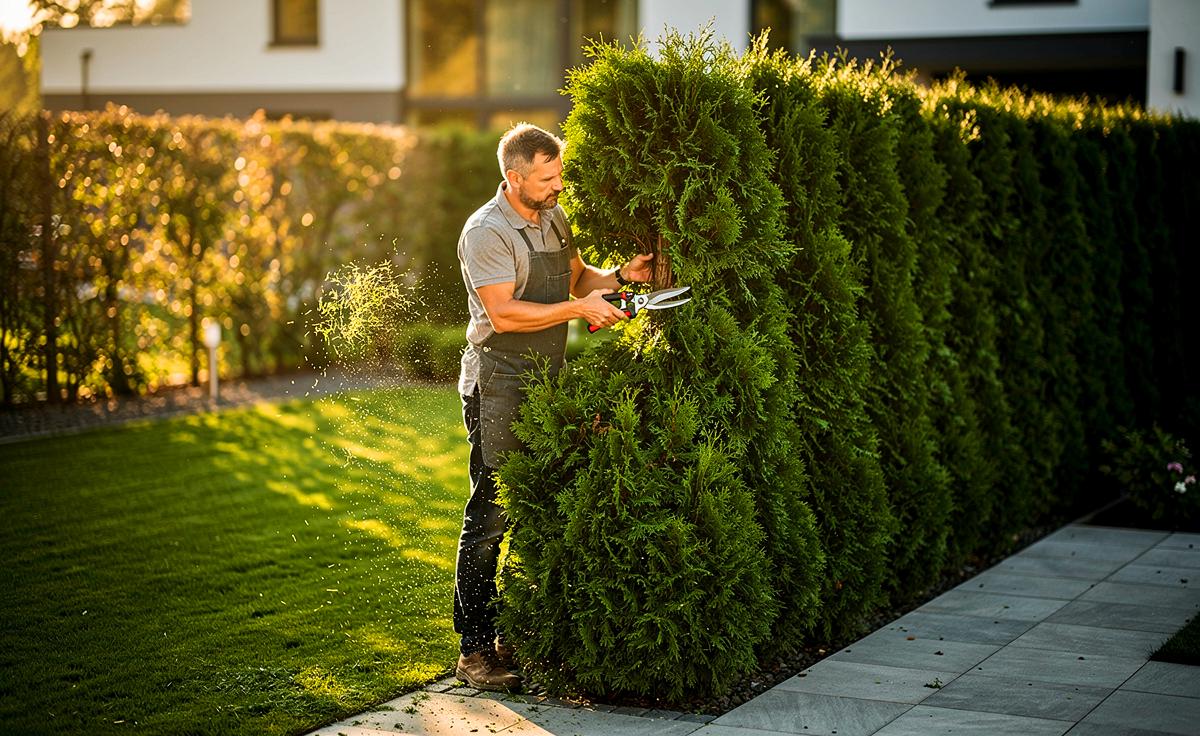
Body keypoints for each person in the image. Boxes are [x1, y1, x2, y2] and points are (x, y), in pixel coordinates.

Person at [453, 122, 654, 690]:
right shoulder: (487, 232)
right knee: (491, 518)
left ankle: (515, 632)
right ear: (514, 178)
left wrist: (620, 277)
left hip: (547, 380)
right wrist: (577, 310)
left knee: (540, 507)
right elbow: (503, 313)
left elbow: (577, 278)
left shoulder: (555, 216)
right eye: (547, 178)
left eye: (558, 174)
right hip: (498, 382)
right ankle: (473, 650)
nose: (558, 185)